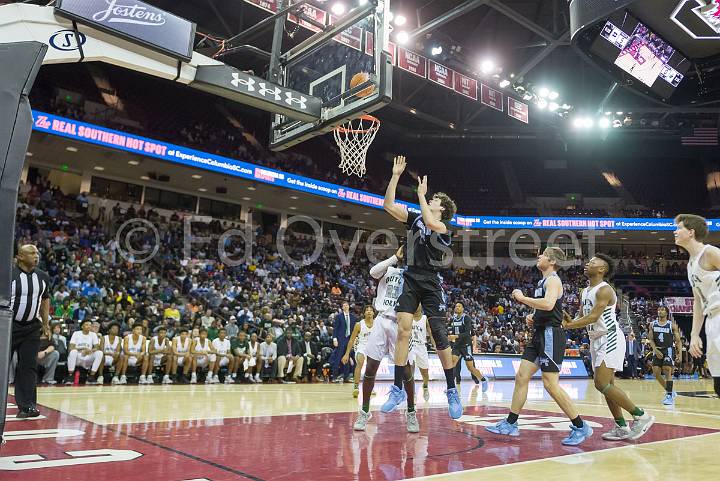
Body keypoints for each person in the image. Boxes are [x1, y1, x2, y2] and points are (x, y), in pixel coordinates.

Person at [487, 247, 593, 446]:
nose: (539, 257)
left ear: (551, 260)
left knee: (550, 384)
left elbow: (549, 304)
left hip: (551, 335)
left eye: (543, 254)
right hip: (540, 333)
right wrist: (533, 317)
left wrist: (522, 299)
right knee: (521, 377)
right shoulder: (542, 281)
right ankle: (511, 423)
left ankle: (580, 426)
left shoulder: (553, 280)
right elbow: (544, 309)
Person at [382, 155, 461, 419]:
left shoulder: (445, 227)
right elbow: (388, 205)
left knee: (438, 335)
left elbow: (430, 222)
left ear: (442, 208)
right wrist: (395, 176)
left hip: (431, 281)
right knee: (403, 330)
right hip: (411, 276)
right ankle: (397, 388)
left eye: (436, 199)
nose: (432, 199)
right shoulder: (416, 217)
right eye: (432, 198)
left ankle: (451, 389)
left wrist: (421, 196)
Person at [562, 254, 655, 441]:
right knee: (608, 386)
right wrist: (571, 320)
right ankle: (621, 426)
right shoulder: (585, 291)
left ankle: (641, 416)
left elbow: (594, 317)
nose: (588, 263)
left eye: (593, 262)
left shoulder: (605, 290)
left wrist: (569, 326)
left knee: (601, 383)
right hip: (595, 339)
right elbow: (583, 316)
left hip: (610, 337)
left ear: (602, 269)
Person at [354, 246, 420, 433]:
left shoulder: (414, 276)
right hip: (381, 320)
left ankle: (411, 412)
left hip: (401, 324)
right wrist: (394, 257)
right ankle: (365, 411)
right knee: (371, 368)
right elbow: (373, 272)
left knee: (406, 371)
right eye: (405, 254)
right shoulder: (389, 269)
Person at [674, 214, 720, 398]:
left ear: (691, 232)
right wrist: (694, 334)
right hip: (712, 319)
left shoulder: (710, 252)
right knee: (718, 383)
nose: (675, 232)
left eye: (679, 228)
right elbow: (698, 301)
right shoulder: (690, 264)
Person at [9, 244, 51, 418]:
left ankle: (27, 406)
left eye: (37, 253)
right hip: (8, 326)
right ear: (19, 257)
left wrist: (46, 324)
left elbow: (45, 299)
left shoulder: (42, 276)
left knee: (28, 366)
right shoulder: (8, 275)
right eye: (32, 253)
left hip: (31, 328)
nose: (36, 256)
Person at [449, 302, 488, 391]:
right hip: (457, 345)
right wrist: (449, 336)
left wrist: (456, 336)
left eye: (459, 306)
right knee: (452, 364)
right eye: (456, 306)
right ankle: (450, 386)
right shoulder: (453, 319)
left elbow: (467, 334)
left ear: (463, 309)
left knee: (470, 368)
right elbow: (451, 331)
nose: (457, 307)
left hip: (466, 345)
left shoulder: (466, 318)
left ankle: (483, 379)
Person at [647, 306, 682, 404]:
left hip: (668, 350)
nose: (660, 311)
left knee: (667, 370)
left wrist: (680, 355)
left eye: (662, 310)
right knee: (656, 373)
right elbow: (651, 339)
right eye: (658, 310)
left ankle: (669, 396)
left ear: (666, 313)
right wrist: (655, 349)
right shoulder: (652, 324)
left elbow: (678, 341)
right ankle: (670, 391)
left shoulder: (672, 325)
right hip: (657, 349)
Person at [342, 305, 374, 397]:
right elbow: (351, 340)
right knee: (360, 362)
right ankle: (356, 387)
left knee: (371, 367)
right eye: (367, 310)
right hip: (361, 347)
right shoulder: (359, 325)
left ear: (373, 313)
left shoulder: (377, 324)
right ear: (364, 313)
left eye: (371, 310)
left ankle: (370, 387)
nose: (369, 311)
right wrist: (347, 354)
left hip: (372, 347)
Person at [65, 319, 103, 384]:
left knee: (100, 353)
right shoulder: (76, 333)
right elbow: (71, 347)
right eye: (86, 325)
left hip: (88, 356)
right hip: (78, 356)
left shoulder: (93, 334)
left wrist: (89, 351)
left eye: (90, 325)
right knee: (73, 351)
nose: (89, 326)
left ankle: (91, 376)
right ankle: (70, 376)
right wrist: (83, 348)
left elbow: (97, 347)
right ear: (82, 326)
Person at [409, 305, 434, 402]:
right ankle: (412, 393)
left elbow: (430, 333)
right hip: (410, 346)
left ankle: (425, 386)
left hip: (421, 346)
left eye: (418, 304)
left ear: (420, 306)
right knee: (410, 371)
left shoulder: (425, 318)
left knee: (425, 373)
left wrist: (434, 344)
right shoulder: (409, 317)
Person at [331, 301, 357, 383]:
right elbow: (335, 328)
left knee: (347, 358)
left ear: (349, 307)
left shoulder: (353, 317)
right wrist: (334, 338)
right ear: (342, 308)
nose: (345, 307)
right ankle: (334, 377)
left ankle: (346, 377)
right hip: (341, 339)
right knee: (338, 358)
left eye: (347, 305)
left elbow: (354, 330)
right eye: (344, 306)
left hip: (349, 340)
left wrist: (355, 339)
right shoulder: (339, 316)